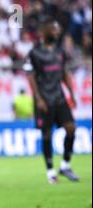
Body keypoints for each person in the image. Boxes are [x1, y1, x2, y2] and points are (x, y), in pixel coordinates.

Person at [24, 20, 79, 184]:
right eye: (53, 30)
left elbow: (64, 73)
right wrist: (38, 98)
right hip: (44, 99)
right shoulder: (34, 53)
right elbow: (30, 77)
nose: (56, 32)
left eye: (57, 30)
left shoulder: (60, 52)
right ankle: (50, 172)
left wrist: (71, 93)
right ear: (44, 31)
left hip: (59, 97)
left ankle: (65, 165)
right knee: (47, 133)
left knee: (71, 128)